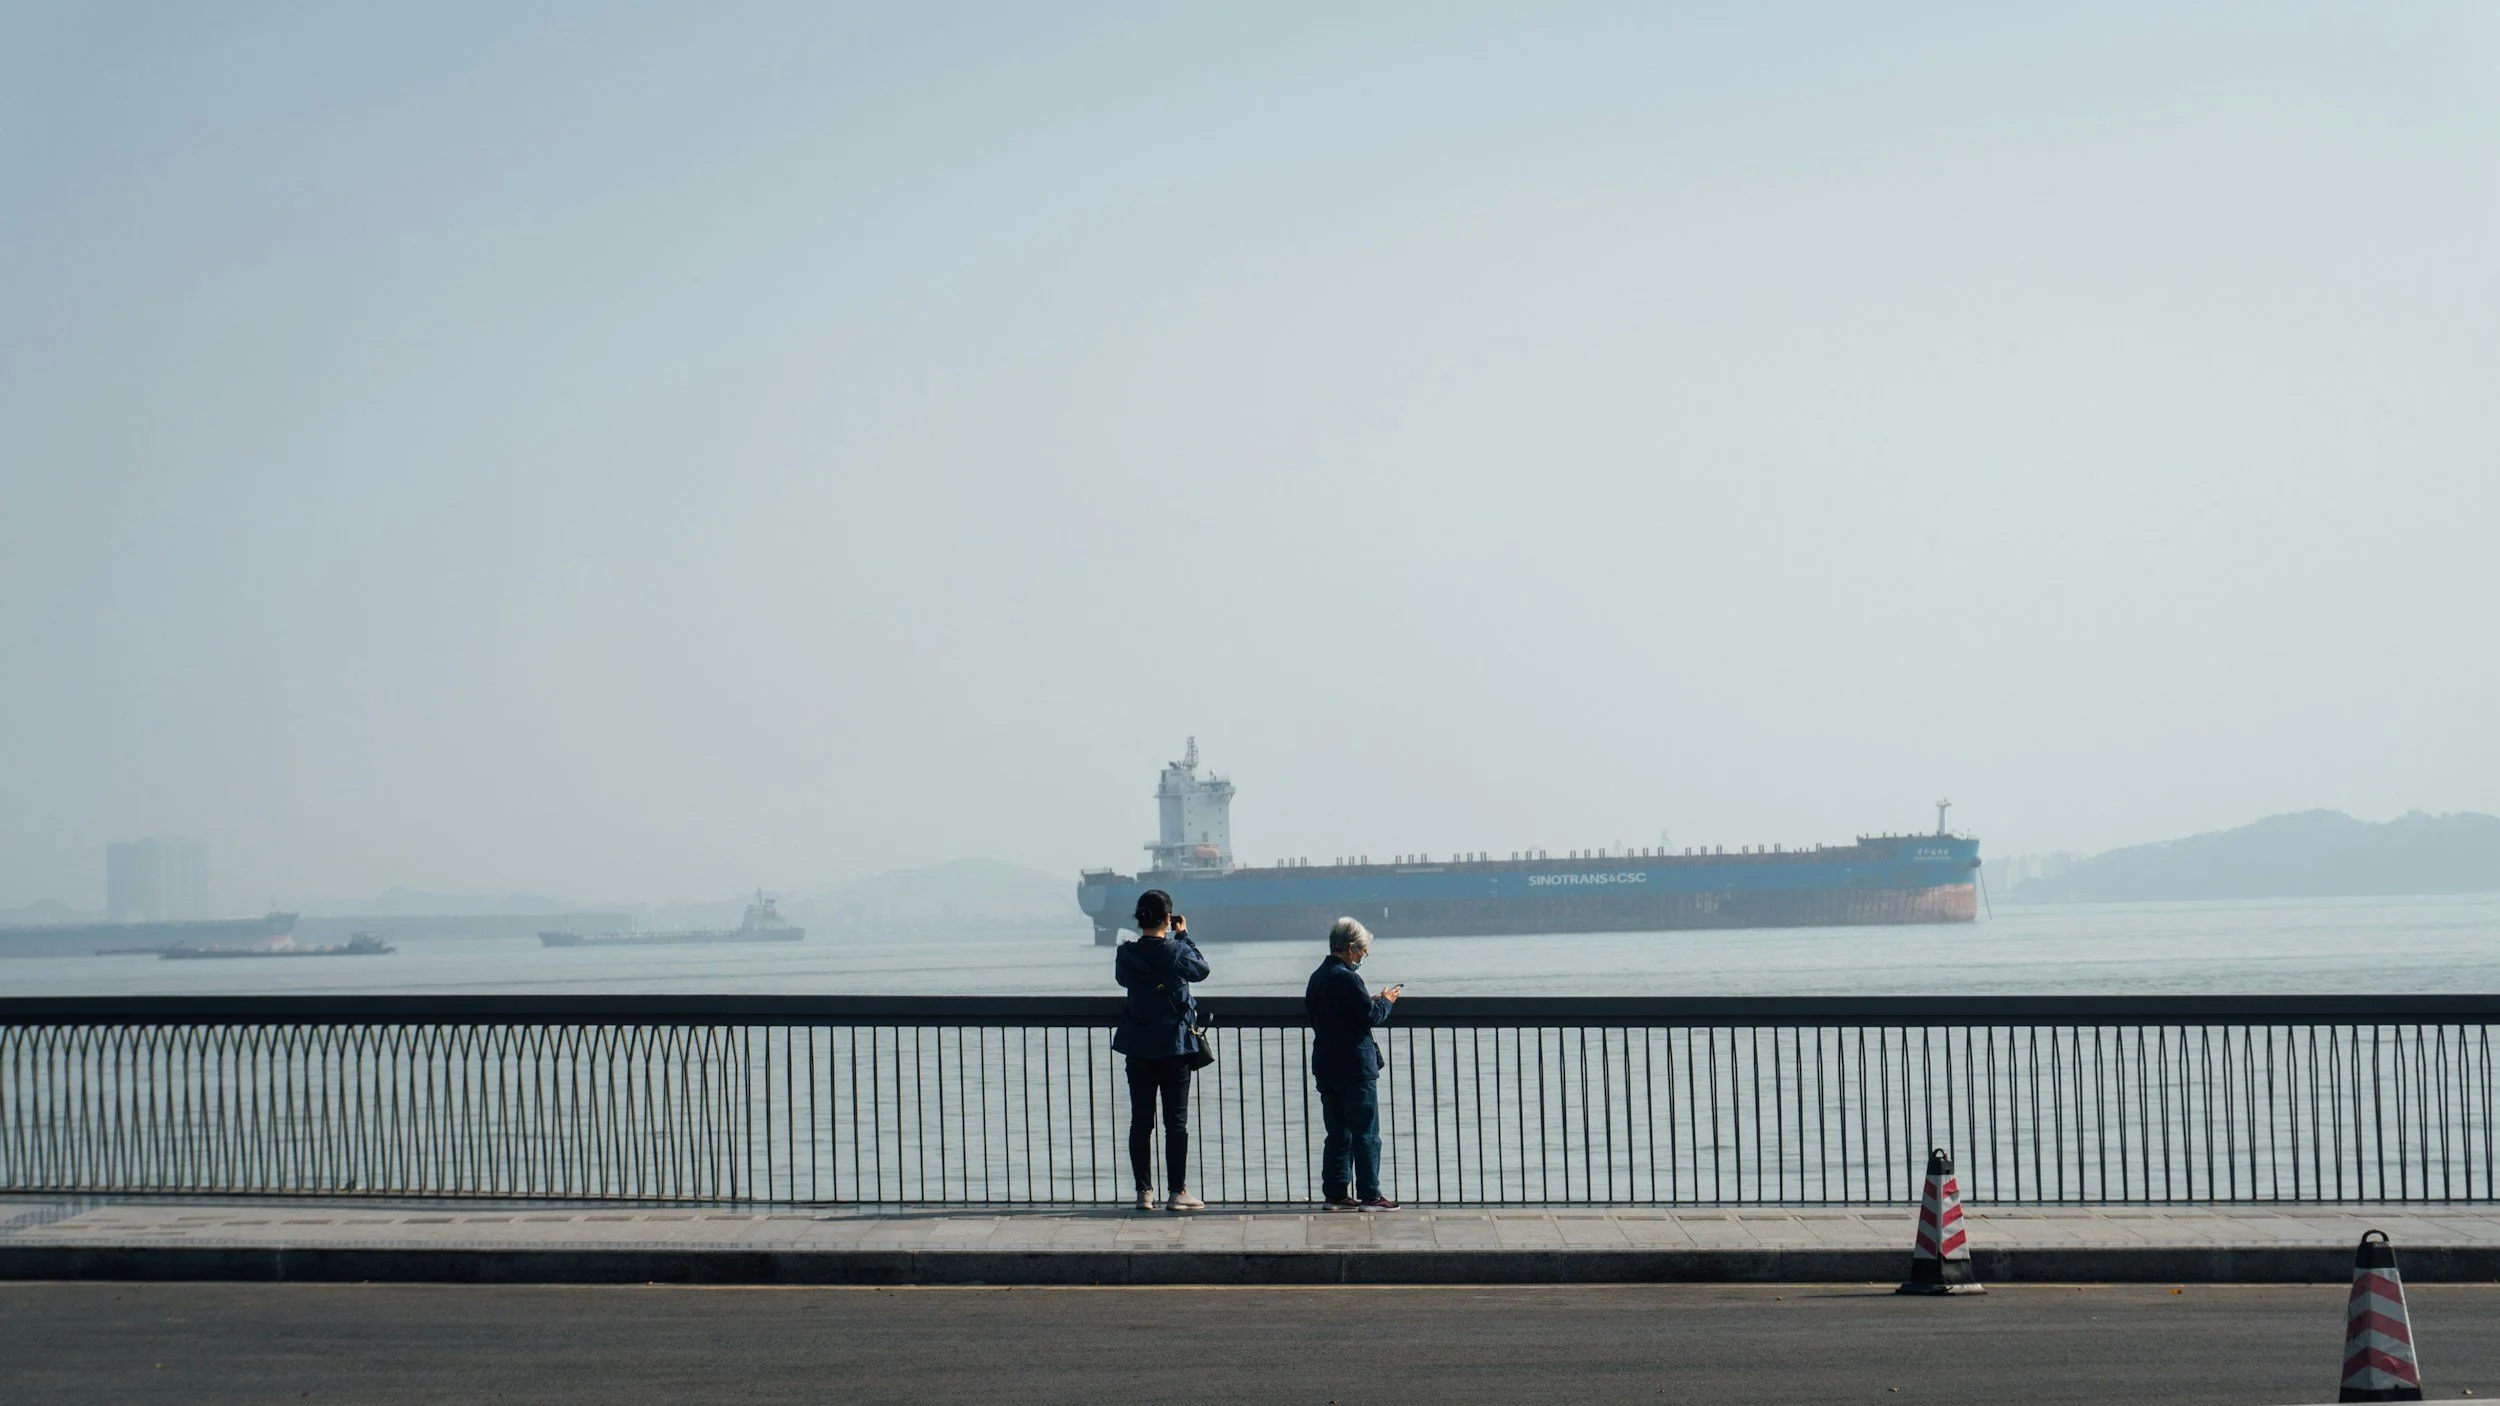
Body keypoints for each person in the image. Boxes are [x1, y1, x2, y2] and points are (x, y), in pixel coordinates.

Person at [1111, 888, 1210, 1212]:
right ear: (1168, 918)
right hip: (1174, 1047)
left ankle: (1144, 1193)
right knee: (1175, 1124)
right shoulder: (1177, 951)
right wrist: (1184, 936)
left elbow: (1123, 980)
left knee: (1141, 1122)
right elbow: (1201, 970)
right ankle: (1177, 1192)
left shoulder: (1125, 954)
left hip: (1138, 1048)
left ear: (1140, 919)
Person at [1305, 916, 1402, 1211]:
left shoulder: (1318, 976)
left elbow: (1338, 1011)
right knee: (1366, 1132)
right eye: (1362, 951)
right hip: (1355, 1066)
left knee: (1337, 1132)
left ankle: (1335, 1193)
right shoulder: (1348, 978)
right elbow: (1369, 1016)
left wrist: (1368, 1001)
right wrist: (1386, 1001)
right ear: (1350, 948)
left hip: (1326, 1063)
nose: (1362, 957)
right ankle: (1370, 1195)